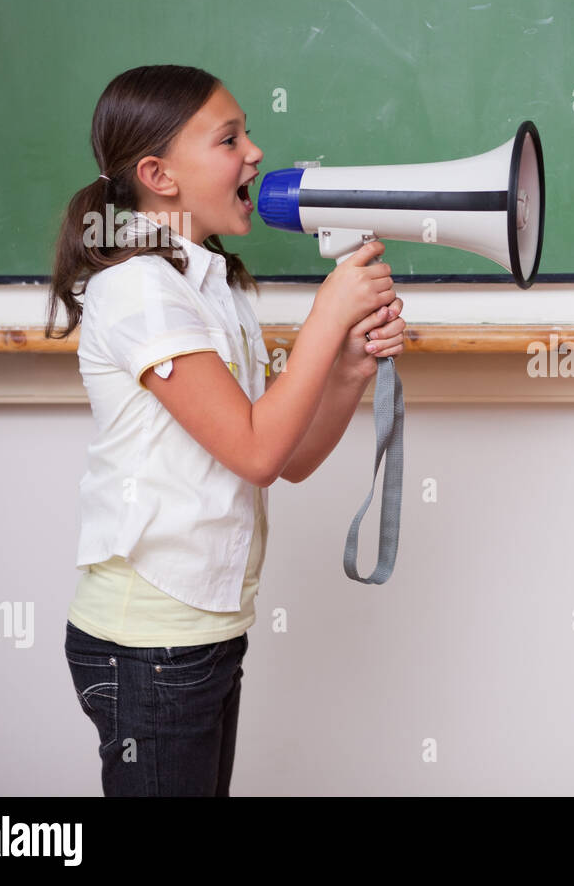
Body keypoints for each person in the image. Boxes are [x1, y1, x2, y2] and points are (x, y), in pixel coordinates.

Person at [46, 64, 406, 795]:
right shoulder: (138, 289)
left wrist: (345, 371)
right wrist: (326, 319)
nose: (256, 153)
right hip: (146, 642)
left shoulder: (215, 282)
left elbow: (286, 455)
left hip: (204, 632)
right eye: (229, 138)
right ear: (159, 174)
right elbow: (254, 447)